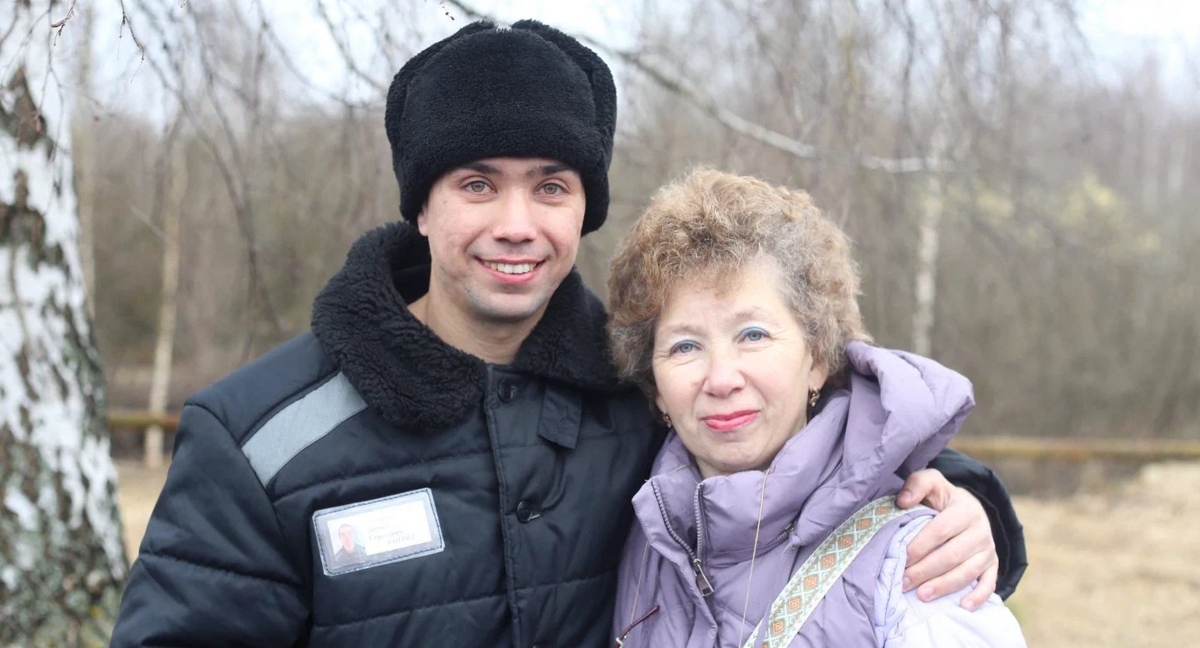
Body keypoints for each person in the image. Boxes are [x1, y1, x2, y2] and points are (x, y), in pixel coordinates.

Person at [111, 20, 1023, 647]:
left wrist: (968, 504)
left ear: (585, 208)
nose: (517, 224)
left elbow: (821, 448)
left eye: (551, 186)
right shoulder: (258, 440)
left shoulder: (647, 385)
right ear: (421, 207)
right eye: (477, 184)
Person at [607, 168, 1026, 647]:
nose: (721, 378)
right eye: (685, 346)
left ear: (818, 358)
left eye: (753, 335)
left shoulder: (919, 562)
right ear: (656, 386)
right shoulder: (635, 532)